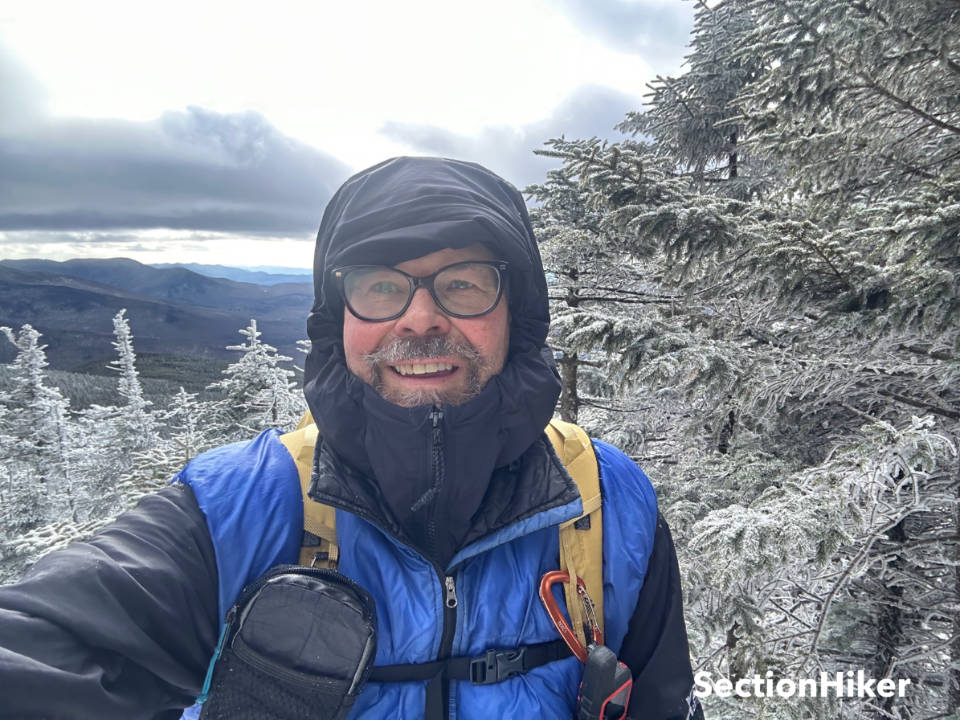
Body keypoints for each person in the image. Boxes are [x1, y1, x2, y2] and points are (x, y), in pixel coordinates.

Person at [0, 157, 703, 719]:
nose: (421, 318)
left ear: (517, 311)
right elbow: (38, 647)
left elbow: (664, 703)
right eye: (379, 285)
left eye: (463, 284)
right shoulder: (233, 511)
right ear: (337, 316)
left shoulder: (610, 504)